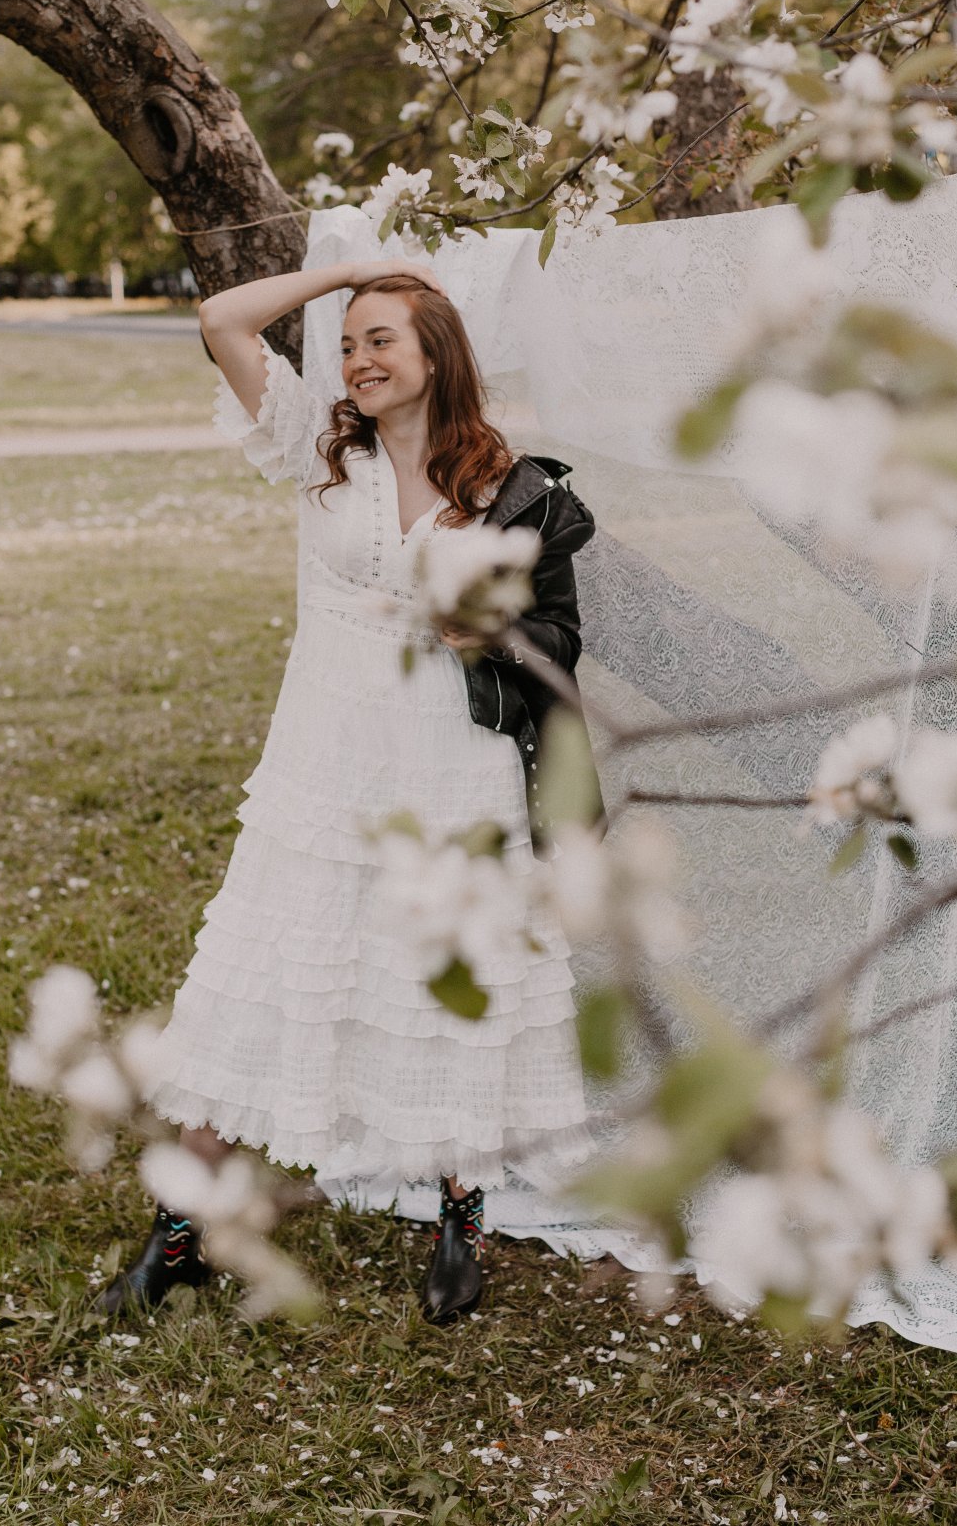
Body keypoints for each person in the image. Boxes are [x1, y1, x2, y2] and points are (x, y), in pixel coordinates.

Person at [97, 260, 598, 1326]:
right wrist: (351, 273)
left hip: (452, 769)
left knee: (451, 984)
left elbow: (561, 638)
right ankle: (178, 1238)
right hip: (320, 770)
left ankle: (460, 1217)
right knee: (251, 985)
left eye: (382, 339)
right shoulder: (320, 457)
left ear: (437, 355)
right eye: (349, 343)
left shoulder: (512, 490)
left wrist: (489, 630)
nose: (359, 359)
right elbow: (221, 318)